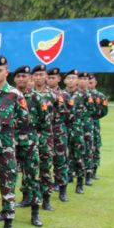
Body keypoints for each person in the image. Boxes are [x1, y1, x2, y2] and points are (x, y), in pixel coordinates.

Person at [0, 56, 28, 228]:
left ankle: (8, 224)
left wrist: (7, 124)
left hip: (6, 147)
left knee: (8, 186)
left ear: (6, 72)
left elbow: (24, 118)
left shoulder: (15, 94)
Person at [12, 65, 44, 227]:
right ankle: (9, 212)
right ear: (15, 79)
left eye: (24, 76)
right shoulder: (10, 96)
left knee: (32, 176)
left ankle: (35, 213)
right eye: (18, 76)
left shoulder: (36, 98)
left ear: (29, 78)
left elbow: (44, 121)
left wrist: (37, 137)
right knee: (10, 177)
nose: (21, 79)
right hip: (11, 141)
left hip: (30, 141)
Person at [33, 65, 57, 211]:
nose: (38, 77)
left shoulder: (53, 96)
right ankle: (28, 197)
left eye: (41, 75)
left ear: (46, 77)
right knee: (30, 170)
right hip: (30, 137)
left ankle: (46, 199)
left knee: (45, 169)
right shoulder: (27, 95)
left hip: (46, 138)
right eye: (35, 75)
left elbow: (61, 115)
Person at [47, 68, 71, 202]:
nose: (51, 80)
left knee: (61, 161)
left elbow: (70, 115)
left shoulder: (65, 95)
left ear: (59, 79)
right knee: (43, 163)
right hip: (45, 131)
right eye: (49, 77)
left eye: (53, 77)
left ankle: (62, 190)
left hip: (59, 131)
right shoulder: (41, 94)